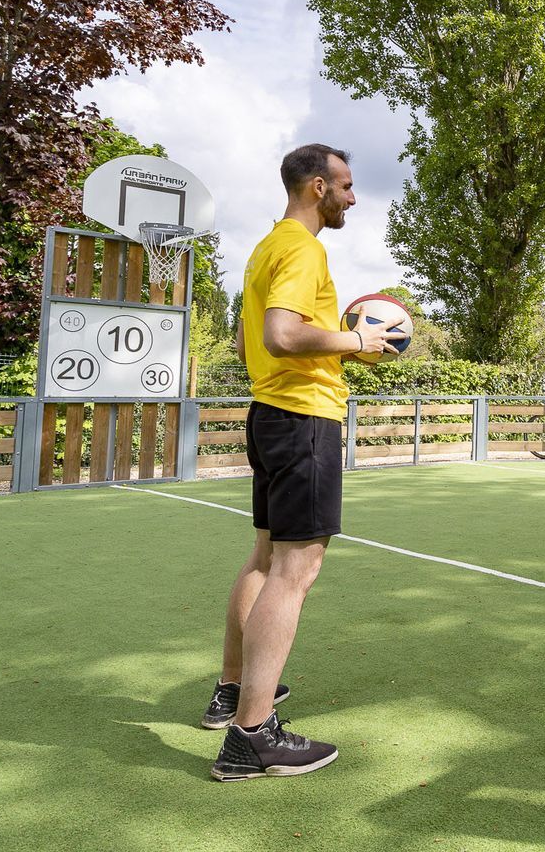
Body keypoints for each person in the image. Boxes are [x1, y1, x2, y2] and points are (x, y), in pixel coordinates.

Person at [204, 143, 394, 781]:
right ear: (317, 187)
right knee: (295, 571)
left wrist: (338, 347)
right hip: (304, 419)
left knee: (264, 559)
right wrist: (357, 340)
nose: (352, 196)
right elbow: (281, 335)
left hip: (270, 415)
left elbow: (247, 338)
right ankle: (251, 737)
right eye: (344, 185)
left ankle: (233, 693)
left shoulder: (266, 246)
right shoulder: (305, 249)